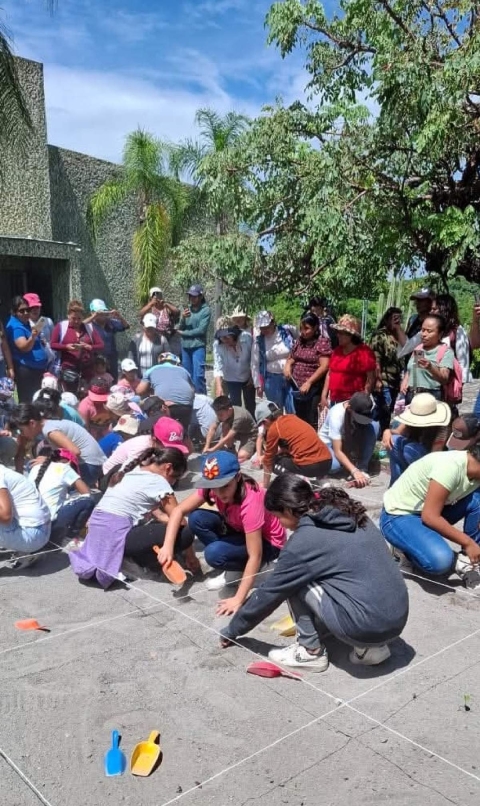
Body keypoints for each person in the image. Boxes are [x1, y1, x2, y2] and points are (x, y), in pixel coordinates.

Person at [219, 475, 409, 670]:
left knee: (294, 581)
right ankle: (369, 647)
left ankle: (311, 652)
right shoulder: (350, 510)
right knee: (330, 570)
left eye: (278, 517)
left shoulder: (303, 543)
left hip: (366, 627)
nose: (280, 524)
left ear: (287, 510)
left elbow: (270, 593)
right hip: (397, 617)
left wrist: (233, 629)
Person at [157, 451, 286, 611]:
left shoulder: (250, 501)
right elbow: (178, 511)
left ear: (237, 477)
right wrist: (168, 547)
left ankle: (251, 573)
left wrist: (238, 598)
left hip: (269, 544)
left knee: (214, 554)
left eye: (225, 486)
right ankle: (232, 564)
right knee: (197, 518)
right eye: (214, 487)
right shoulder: (214, 486)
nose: (219, 493)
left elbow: (255, 554)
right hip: (240, 529)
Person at [69, 447, 196, 587]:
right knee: (185, 533)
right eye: (175, 478)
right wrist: (191, 557)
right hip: (115, 530)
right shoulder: (158, 482)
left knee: (157, 528)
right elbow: (179, 519)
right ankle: (132, 561)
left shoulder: (131, 472)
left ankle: (120, 555)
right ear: (168, 468)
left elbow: (160, 516)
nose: (173, 483)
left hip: (97, 529)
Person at [380, 446, 480, 590]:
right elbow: (430, 517)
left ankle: (470, 562)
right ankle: (402, 548)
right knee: (440, 561)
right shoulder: (450, 467)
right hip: (398, 515)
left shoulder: (475, 471)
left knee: (477, 500)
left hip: (429, 510)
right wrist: (468, 542)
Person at [12, 401, 106, 486]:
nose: (21, 434)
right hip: (92, 465)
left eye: (21, 430)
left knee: (38, 469)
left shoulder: (49, 430)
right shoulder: (48, 425)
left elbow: (75, 451)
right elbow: (20, 454)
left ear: (32, 423)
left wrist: (49, 460)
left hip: (89, 468)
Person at [383, 393, 451, 486]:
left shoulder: (442, 426)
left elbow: (434, 456)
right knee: (395, 440)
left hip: (431, 461)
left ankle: (414, 483)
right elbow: (397, 432)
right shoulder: (413, 417)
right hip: (415, 455)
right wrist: (387, 432)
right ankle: (396, 484)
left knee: (410, 449)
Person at [256, 401, 332, 484]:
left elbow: (268, 461)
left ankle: (300, 480)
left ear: (265, 421)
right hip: (327, 462)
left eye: (262, 424)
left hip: (310, 466)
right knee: (287, 456)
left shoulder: (274, 428)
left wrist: (265, 484)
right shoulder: (292, 417)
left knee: (273, 462)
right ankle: (321, 479)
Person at [28, 448, 95, 542]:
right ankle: (70, 537)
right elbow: (87, 493)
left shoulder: (36, 467)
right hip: (49, 525)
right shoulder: (64, 468)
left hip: (30, 522)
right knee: (88, 501)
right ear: (68, 462)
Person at [319, 392, 379, 487]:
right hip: (329, 444)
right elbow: (337, 451)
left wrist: (357, 470)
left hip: (347, 439)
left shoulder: (369, 404)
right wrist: (354, 470)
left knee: (374, 426)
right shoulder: (336, 415)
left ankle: (363, 467)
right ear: (349, 409)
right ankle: (322, 468)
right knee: (335, 466)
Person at [284, 312, 331, 429]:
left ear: (315, 327)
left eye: (307, 328)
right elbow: (292, 357)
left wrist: (309, 382)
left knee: (310, 421)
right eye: (301, 328)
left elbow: (324, 366)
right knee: (299, 419)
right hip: (297, 389)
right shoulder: (300, 341)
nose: (303, 332)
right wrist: (288, 365)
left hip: (313, 390)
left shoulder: (322, 342)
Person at [0, 464, 51, 570]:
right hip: (41, 530)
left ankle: (27, 550)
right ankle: (26, 553)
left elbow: (5, 516)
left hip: (33, 535)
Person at [102, 416, 189, 476]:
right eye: (167, 446)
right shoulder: (142, 447)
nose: (171, 450)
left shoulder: (153, 445)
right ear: (154, 439)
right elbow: (127, 472)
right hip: (112, 476)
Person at [321, 315, 376, 409]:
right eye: (338, 332)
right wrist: (324, 395)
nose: (338, 335)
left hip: (352, 402)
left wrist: (362, 402)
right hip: (334, 400)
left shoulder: (365, 352)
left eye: (342, 333)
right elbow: (330, 373)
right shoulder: (337, 351)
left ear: (351, 335)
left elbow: (370, 379)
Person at [401, 314, 454, 405]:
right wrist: (405, 381)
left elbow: (444, 378)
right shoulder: (419, 348)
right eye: (423, 330)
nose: (424, 334)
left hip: (430, 397)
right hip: (412, 396)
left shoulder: (445, 351)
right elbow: (413, 369)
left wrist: (430, 367)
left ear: (440, 334)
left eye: (429, 331)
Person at [136, 352, 195, 432]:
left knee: (164, 431)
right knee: (183, 432)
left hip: (165, 406)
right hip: (186, 406)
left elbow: (140, 391)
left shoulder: (152, 369)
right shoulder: (184, 371)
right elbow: (193, 390)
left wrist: (150, 390)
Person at [6, 296, 49, 402]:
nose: (26, 313)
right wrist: (33, 337)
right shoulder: (16, 327)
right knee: (28, 402)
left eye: (27, 310)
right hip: (26, 370)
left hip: (36, 369)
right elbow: (24, 347)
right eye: (22, 311)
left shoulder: (25, 323)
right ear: (15, 312)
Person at [251, 311, 296, 412]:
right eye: (261, 328)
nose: (264, 330)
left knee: (292, 409)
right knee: (275, 411)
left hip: (291, 377)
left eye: (266, 326)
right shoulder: (258, 341)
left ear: (273, 322)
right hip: (271, 379)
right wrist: (258, 384)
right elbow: (254, 363)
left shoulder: (287, 331)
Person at [51, 299, 104, 384]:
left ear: (83, 317)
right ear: (68, 316)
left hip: (87, 371)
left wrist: (90, 347)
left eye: (79, 318)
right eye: (73, 318)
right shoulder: (61, 326)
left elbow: (101, 345)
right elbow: (53, 344)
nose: (76, 321)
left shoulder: (89, 328)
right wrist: (66, 347)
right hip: (68, 371)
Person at [370, 307, 405, 435]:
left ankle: (381, 432)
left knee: (388, 408)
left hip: (395, 379)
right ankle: (374, 430)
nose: (397, 321)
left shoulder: (399, 335)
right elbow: (375, 359)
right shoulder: (380, 335)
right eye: (394, 318)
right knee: (383, 406)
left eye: (399, 318)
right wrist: (377, 379)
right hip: (383, 378)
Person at [177, 284, 211, 394]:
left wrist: (184, 333)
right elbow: (179, 327)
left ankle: (202, 400)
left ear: (201, 297)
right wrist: (182, 318)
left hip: (198, 347)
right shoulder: (187, 310)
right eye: (190, 296)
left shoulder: (206, 310)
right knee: (187, 376)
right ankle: (190, 401)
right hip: (186, 347)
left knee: (198, 377)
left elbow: (201, 330)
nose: (192, 298)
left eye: (194, 296)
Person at [213, 324, 255, 416]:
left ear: (234, 335)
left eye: (227, 337)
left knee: (251, 404)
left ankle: (252, 425)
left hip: (248, 376)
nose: (225, 340)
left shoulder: (247, 338)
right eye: (222, 338)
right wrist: (219, 387)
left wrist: (252, 376)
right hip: (231, 377)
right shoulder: (217, 345)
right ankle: (236, 424)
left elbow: (254, 359)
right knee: (235, 405)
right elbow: (217, 366)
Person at [84, 299, 130, 382]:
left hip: (111, 360)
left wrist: (119, 316)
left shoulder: (111, 323)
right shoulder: (90, 325)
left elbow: (126, 326)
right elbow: (80, 325)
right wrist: (94, 316)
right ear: (92, 312)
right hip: (97, 362)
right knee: (97, 383)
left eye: (104, 311)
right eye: (99, 312)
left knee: (112, 382)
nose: (102, 315)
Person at [204, 396, 258, 462]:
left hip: (249, 434)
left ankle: (254, 447)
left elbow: (228, 437)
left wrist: (214, 449)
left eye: (220, 415)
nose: (218, 417)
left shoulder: (239, 416)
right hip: (237, 432)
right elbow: (212, 428)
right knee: (225, 424)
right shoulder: (222, 413)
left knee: (241, 457)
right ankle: (231, 449)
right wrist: (207, 446)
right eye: (217, 414)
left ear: (229, 410)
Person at [431, 293, 470, 383]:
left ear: (444, 310)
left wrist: (458, 387)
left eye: (434, 309)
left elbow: (463, 364)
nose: (431, 312)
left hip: (449, 385)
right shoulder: (431, 330)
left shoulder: (458, 331)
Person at [24, 292, 55, 369]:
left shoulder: (48, 321)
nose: (35, 310)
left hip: (51, 360)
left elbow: (53, 340)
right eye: (32, 307)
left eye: (37, 307)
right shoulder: (25, 324)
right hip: (34, 362)